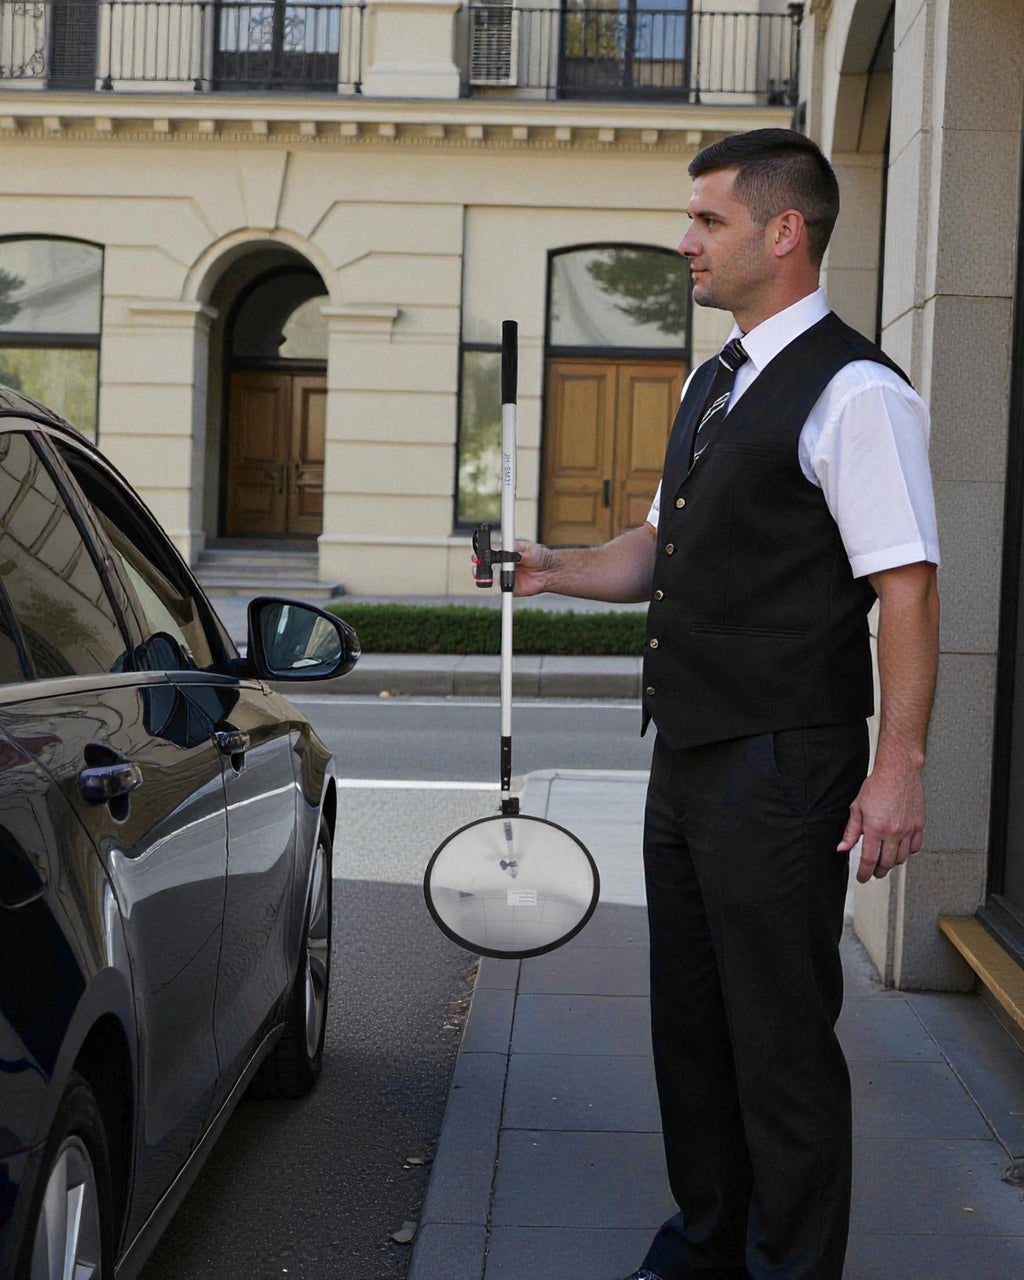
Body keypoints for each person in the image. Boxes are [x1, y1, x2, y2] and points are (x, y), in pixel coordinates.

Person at [514, 128, 940, 1280]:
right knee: (692, 1027)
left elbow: (905, 587)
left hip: (784, 761)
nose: (685, 241)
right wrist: (553, 567)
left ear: (783, 230)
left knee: (779, 1039)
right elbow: (657, 545)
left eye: (708, 219)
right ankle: (705, 1244)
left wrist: (896, 767)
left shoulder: (856, 392)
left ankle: (787, 1265)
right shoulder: (715, 379)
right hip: (691, 754)